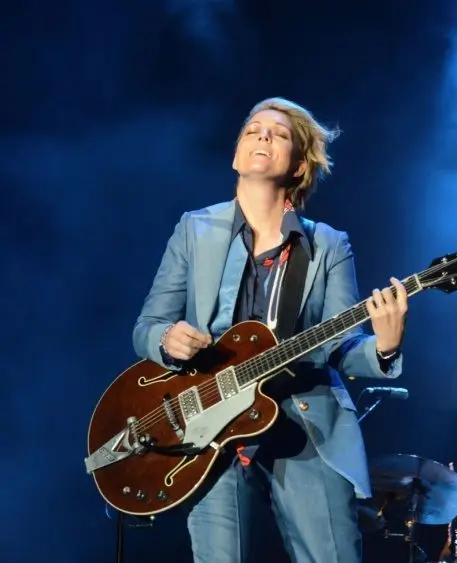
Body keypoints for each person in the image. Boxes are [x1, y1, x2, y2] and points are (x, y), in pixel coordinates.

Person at [131, 97, 408, 563]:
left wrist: (385, 345)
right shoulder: (194, 229)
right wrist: (166, 339)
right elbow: (147, 325)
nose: (263, 136)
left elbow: (340, 347)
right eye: (253, 130)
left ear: (298, 167)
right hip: (209, 430)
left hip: (303, 421)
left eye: (279, 134)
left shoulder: (327, 244)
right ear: (237, 156)